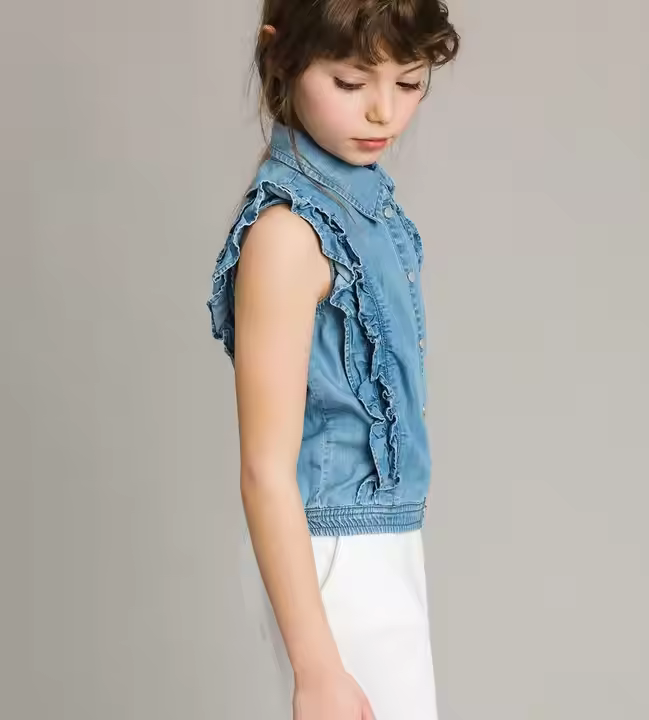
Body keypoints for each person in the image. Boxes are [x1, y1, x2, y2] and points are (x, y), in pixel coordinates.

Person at [207, 1, 459, 717]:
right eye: (351, 83)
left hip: (377, 549)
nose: (383, 111)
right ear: (280, 57)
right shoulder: (288, 235)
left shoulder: (364, 209)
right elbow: (264, 470)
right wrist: (317, 667)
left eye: (409, 82)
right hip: (333, 556)